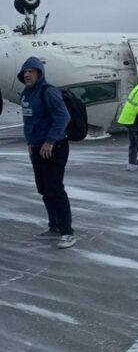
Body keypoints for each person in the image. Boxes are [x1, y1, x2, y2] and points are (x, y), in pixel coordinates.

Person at [18, 57, 76, 249]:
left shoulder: (48, 91)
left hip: (54, 147)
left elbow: (63, 117)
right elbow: (30, 122)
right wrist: (31, 143)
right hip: (36, 147)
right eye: (25, 71)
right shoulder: (26, 93)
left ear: (40, 73)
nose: (27, 74)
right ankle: (54, 227)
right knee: (43, 189)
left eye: (31, 71)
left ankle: (67, 232)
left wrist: (50, 141)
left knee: (55, 189)